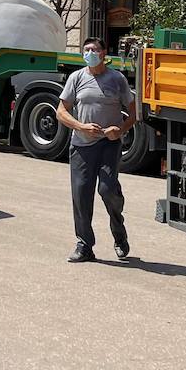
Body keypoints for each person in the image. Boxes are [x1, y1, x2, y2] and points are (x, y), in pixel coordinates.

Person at [55, 36, 138, 263]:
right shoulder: (76, 78)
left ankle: (119, 232)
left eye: (94, 49)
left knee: (107, 189)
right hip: (81, 146)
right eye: (86, 49)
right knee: (81, 195)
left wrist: (119, 129)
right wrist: (80, 126)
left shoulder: (116, 79)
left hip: (108, 145)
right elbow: (60, 111)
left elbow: (133, 113)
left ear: (103, 54)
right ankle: (84, 245)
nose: (89, 53)